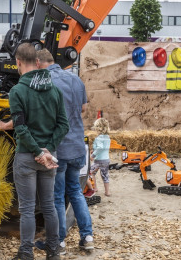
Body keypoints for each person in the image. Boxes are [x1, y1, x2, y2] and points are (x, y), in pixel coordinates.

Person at [26, 49, 93, 255]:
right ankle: (87, 237)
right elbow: (82, 109)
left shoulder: (44, 82)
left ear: (38, 62)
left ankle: (59, 243)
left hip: (58, 147)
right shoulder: (75, 79)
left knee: (56, 196)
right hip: (76, 146)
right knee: (75, 191)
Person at [8, 43, 69, 260]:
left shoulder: (17, 91)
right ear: (37, 62)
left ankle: (26, 253)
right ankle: (53, 252)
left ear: (18, 63)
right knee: (49, 206)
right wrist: (48, 150)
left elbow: (20, 127)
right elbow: (64, 125)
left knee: (27, 208)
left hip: (27, 156)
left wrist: (36, 151)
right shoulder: (54, 90)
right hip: (49, 157)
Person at [90, 118, 111, 196]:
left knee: (91, 172)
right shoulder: (107, 137)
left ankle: (95, 188)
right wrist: (94, 150)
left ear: (98, 128)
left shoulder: (98, 138)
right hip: (106, 160)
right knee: (105, 175)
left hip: (98, 160)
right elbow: (104, 148)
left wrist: (93, 155)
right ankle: (107, 192)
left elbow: (100, 147)